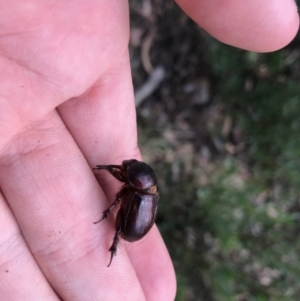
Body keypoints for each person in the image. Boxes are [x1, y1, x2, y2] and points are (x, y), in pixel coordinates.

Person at [0, 1, 298, 300]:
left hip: (130, 229)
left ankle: (113, 246)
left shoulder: (136, 191)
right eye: (128, 169)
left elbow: (121, 193)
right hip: (133, 216)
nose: (124, 167)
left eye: (127, 170)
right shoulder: (140, 188)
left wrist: (109, 189)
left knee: (117, 215)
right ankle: (113, 243)